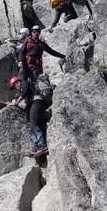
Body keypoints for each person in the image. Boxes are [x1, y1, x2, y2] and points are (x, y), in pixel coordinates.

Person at [17, 25, 69, 157]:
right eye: (34, 31)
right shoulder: (27, 42)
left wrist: (64, 55)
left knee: (33, 118)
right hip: (29, 66)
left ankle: (40, 145)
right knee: (32, 119)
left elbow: (51, 51)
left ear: (39, 33)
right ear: (32, 33)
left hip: (35, 69)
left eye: (38, 32)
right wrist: (20, 62)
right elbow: (21, 53)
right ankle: (37, 145)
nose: (36, 33)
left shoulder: (41, 44)